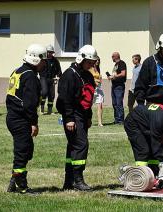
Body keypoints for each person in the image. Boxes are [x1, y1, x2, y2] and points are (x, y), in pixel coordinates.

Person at [6, 44, 47, 194]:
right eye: (44, 60)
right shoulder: (29, 75)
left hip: (12, 116)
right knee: (22, 151)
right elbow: (30, 104)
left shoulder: (17, 71)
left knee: (26, 150)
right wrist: (33, 123)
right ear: (37, 59)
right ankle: (22, 186)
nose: (45, 63)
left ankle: (14, 180)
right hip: (20, 119)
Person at [57, 45, 97, 191]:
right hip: (72, 114)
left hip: (82, 115)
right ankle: (78, 180)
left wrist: (89, 116)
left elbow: (89, 98)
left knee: (73, 146)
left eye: (93, 62)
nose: (91, 65)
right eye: (89, 62)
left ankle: (69, 181)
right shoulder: (69, 74)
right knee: (81, 145)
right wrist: (69, 118)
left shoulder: (87, 75)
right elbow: (65, 98)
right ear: (81, 59)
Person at [39, 44, 62, 114]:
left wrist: (58, 76)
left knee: (51, 95)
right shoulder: (43, 60)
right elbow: (38, 68)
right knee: (44, 92)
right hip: (43, 78)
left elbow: (59, 70)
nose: (49, 53)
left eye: (51, 52)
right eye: (48, 52)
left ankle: (49, 110)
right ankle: (41, 108)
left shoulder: (55, 61)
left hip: (52, 79)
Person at [108, 52, 127, 124]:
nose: (111, 58)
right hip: (114, 85)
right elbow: (116, 74)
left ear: (115, 57)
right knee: (114, 103)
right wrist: (111, 77)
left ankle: (121, 120)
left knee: (119, 103)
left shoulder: (122, 63)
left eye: (112, 57)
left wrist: (114, 76)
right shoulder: (116, 65)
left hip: (119, 86)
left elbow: (123, 73)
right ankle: (116, 119)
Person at [89, 58, 104, 126]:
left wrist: (99, 80)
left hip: (99, 89)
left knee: (100, 105)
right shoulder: (90, 68)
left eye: (99, 60)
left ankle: (100, 123)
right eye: (96, 60)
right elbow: (88, 77)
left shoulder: (98, 69)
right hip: (92, 88)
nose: (97, 62)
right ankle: (88, 120)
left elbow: (99, 78)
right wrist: (95, 81)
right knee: (89, 105)